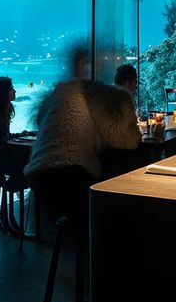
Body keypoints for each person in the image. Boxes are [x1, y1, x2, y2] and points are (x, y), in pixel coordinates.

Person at [25, 46, 141, 226]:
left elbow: (39, 122)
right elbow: (126, 141)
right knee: (119, 200)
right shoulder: (103, 96)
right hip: (72, 177)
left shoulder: (57, 94)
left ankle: (77, 235)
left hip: (38, 178)